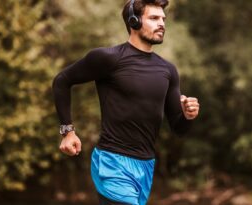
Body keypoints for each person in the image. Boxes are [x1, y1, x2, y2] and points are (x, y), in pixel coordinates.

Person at [52, 0, 200, 204]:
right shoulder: (109, 58)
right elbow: (62, 81)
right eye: (154, 18)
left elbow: (179, 129)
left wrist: (188, 115)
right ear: (134, 21)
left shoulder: (168, 70)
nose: (162, 24)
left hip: (145, 166)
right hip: (112, 162)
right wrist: (67, 132)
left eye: (163, 19)